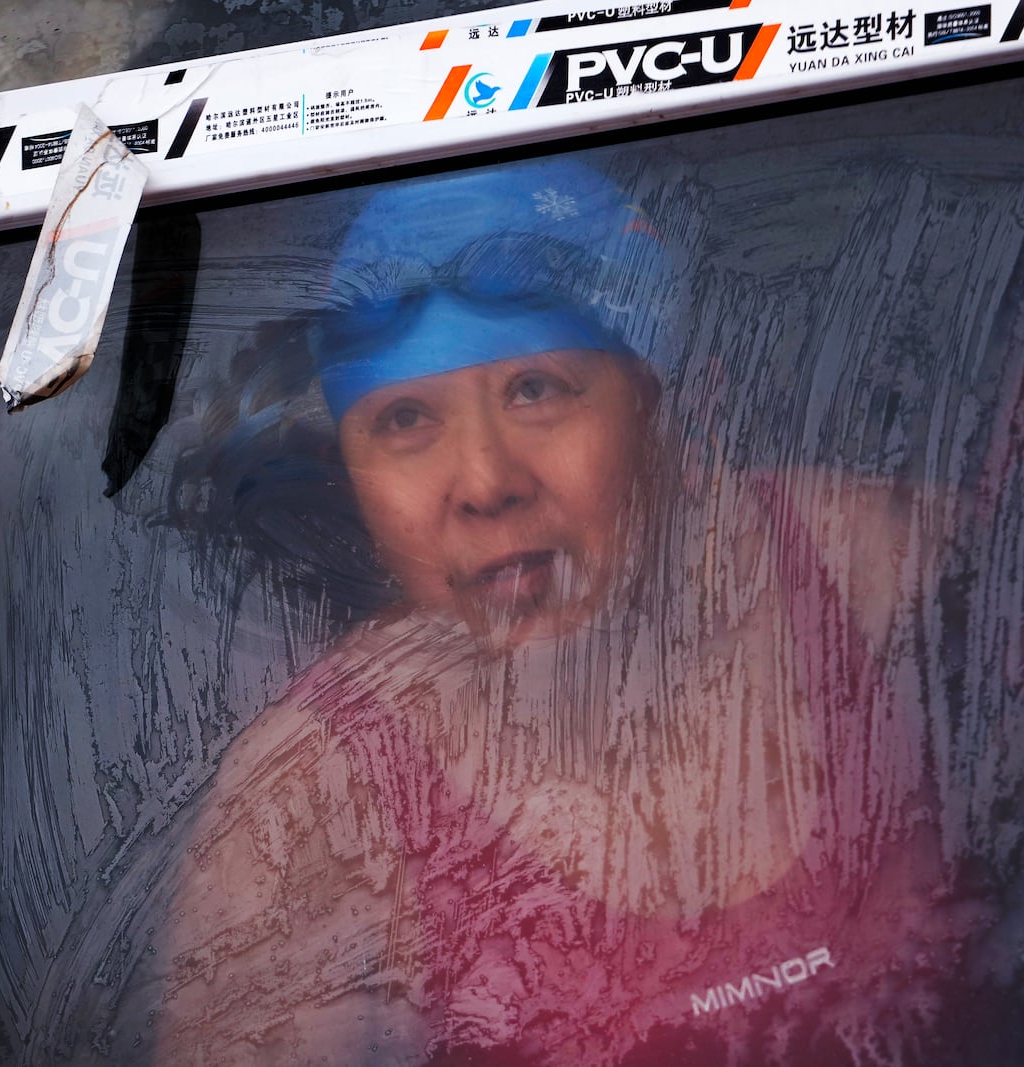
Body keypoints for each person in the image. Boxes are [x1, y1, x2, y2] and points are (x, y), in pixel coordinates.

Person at [104, 157, 950, 1067]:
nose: (486, 482)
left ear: (657, 406)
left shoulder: (867, 568)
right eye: (404, 420)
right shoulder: (313, 800)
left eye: (536, 389)